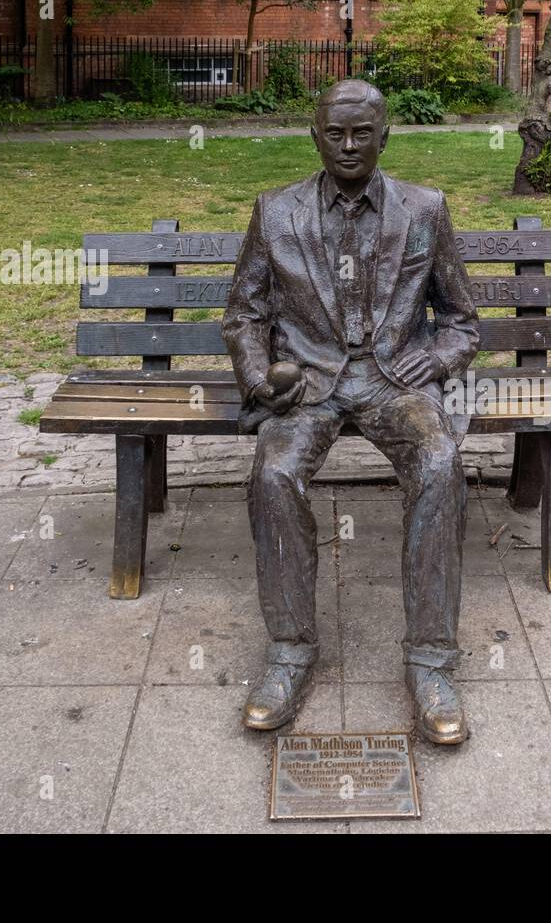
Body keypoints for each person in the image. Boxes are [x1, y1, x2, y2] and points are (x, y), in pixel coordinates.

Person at [222, 79, 480, 744]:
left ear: (385, 136)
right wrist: (258, 377)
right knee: (273, 474)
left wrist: (441, 360)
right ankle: (290, 652)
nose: (347, 145)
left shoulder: (425, 209)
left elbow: (462, 323)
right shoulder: (274, 211)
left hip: (394, 380)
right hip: (308, 381)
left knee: (440, 462)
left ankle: (431, 661)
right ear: (315, 136)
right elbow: (244, 315)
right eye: (334, 132)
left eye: (361, 132)